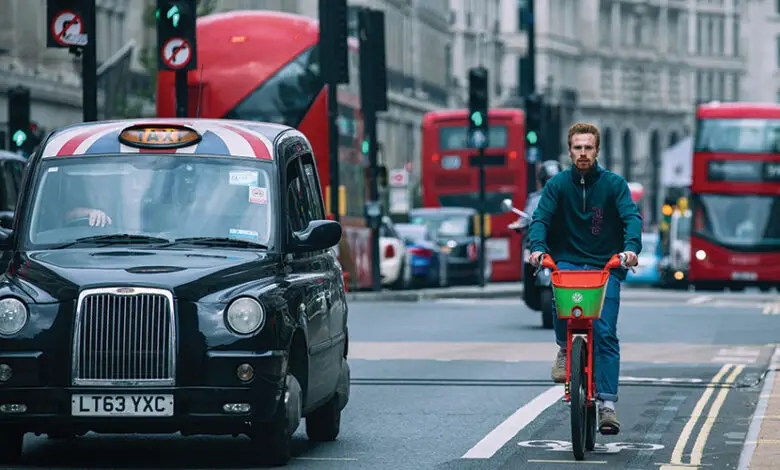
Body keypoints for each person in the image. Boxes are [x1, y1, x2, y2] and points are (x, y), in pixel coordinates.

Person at [527, 122, 642, 435]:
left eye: (588, 147)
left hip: (606, 266)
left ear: (597, 150)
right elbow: (541, 219)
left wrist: (630, 250)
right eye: (577, 147)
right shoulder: (557, 185)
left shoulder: (614, 185)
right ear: (569, 150)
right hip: (567, 264)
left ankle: (607, 405)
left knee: (604, 332)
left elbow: (631, 218)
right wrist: (537, 249)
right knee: (561, 304)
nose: (582, 153)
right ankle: (565, 350)